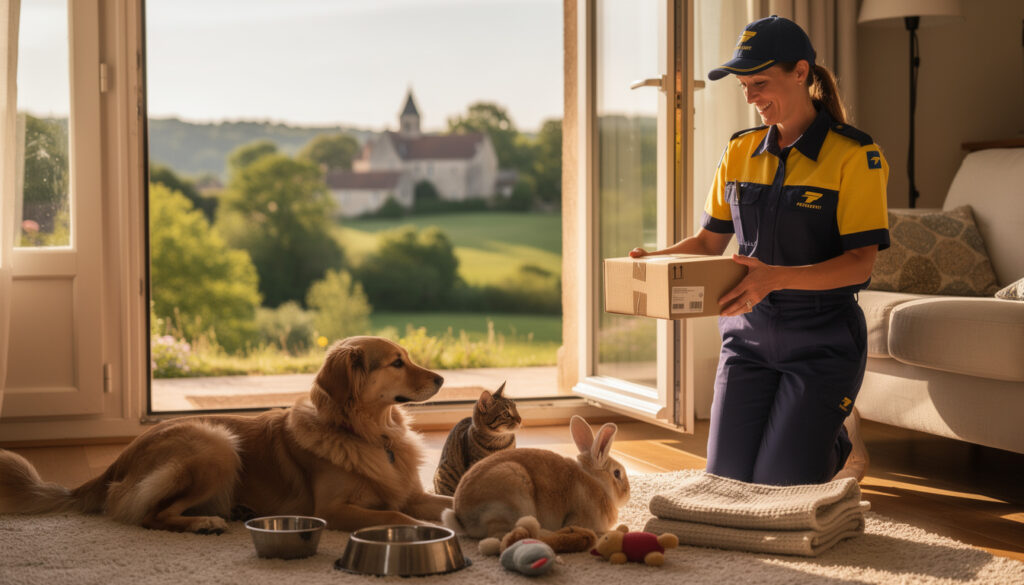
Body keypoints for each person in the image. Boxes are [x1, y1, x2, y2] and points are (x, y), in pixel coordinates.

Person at [630, 15, 888, 485]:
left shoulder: (856, 156)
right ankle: (812, 432)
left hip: (821, 342)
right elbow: (709, 242)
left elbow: (859, 265)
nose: (750, 97)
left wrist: (776, 277)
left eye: (761, 83)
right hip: (746, 339)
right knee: (726, 479)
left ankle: (839, 442)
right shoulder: (739, 151)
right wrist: (657, 262)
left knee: (780, 484)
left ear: (802, 73)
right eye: (744, 85)